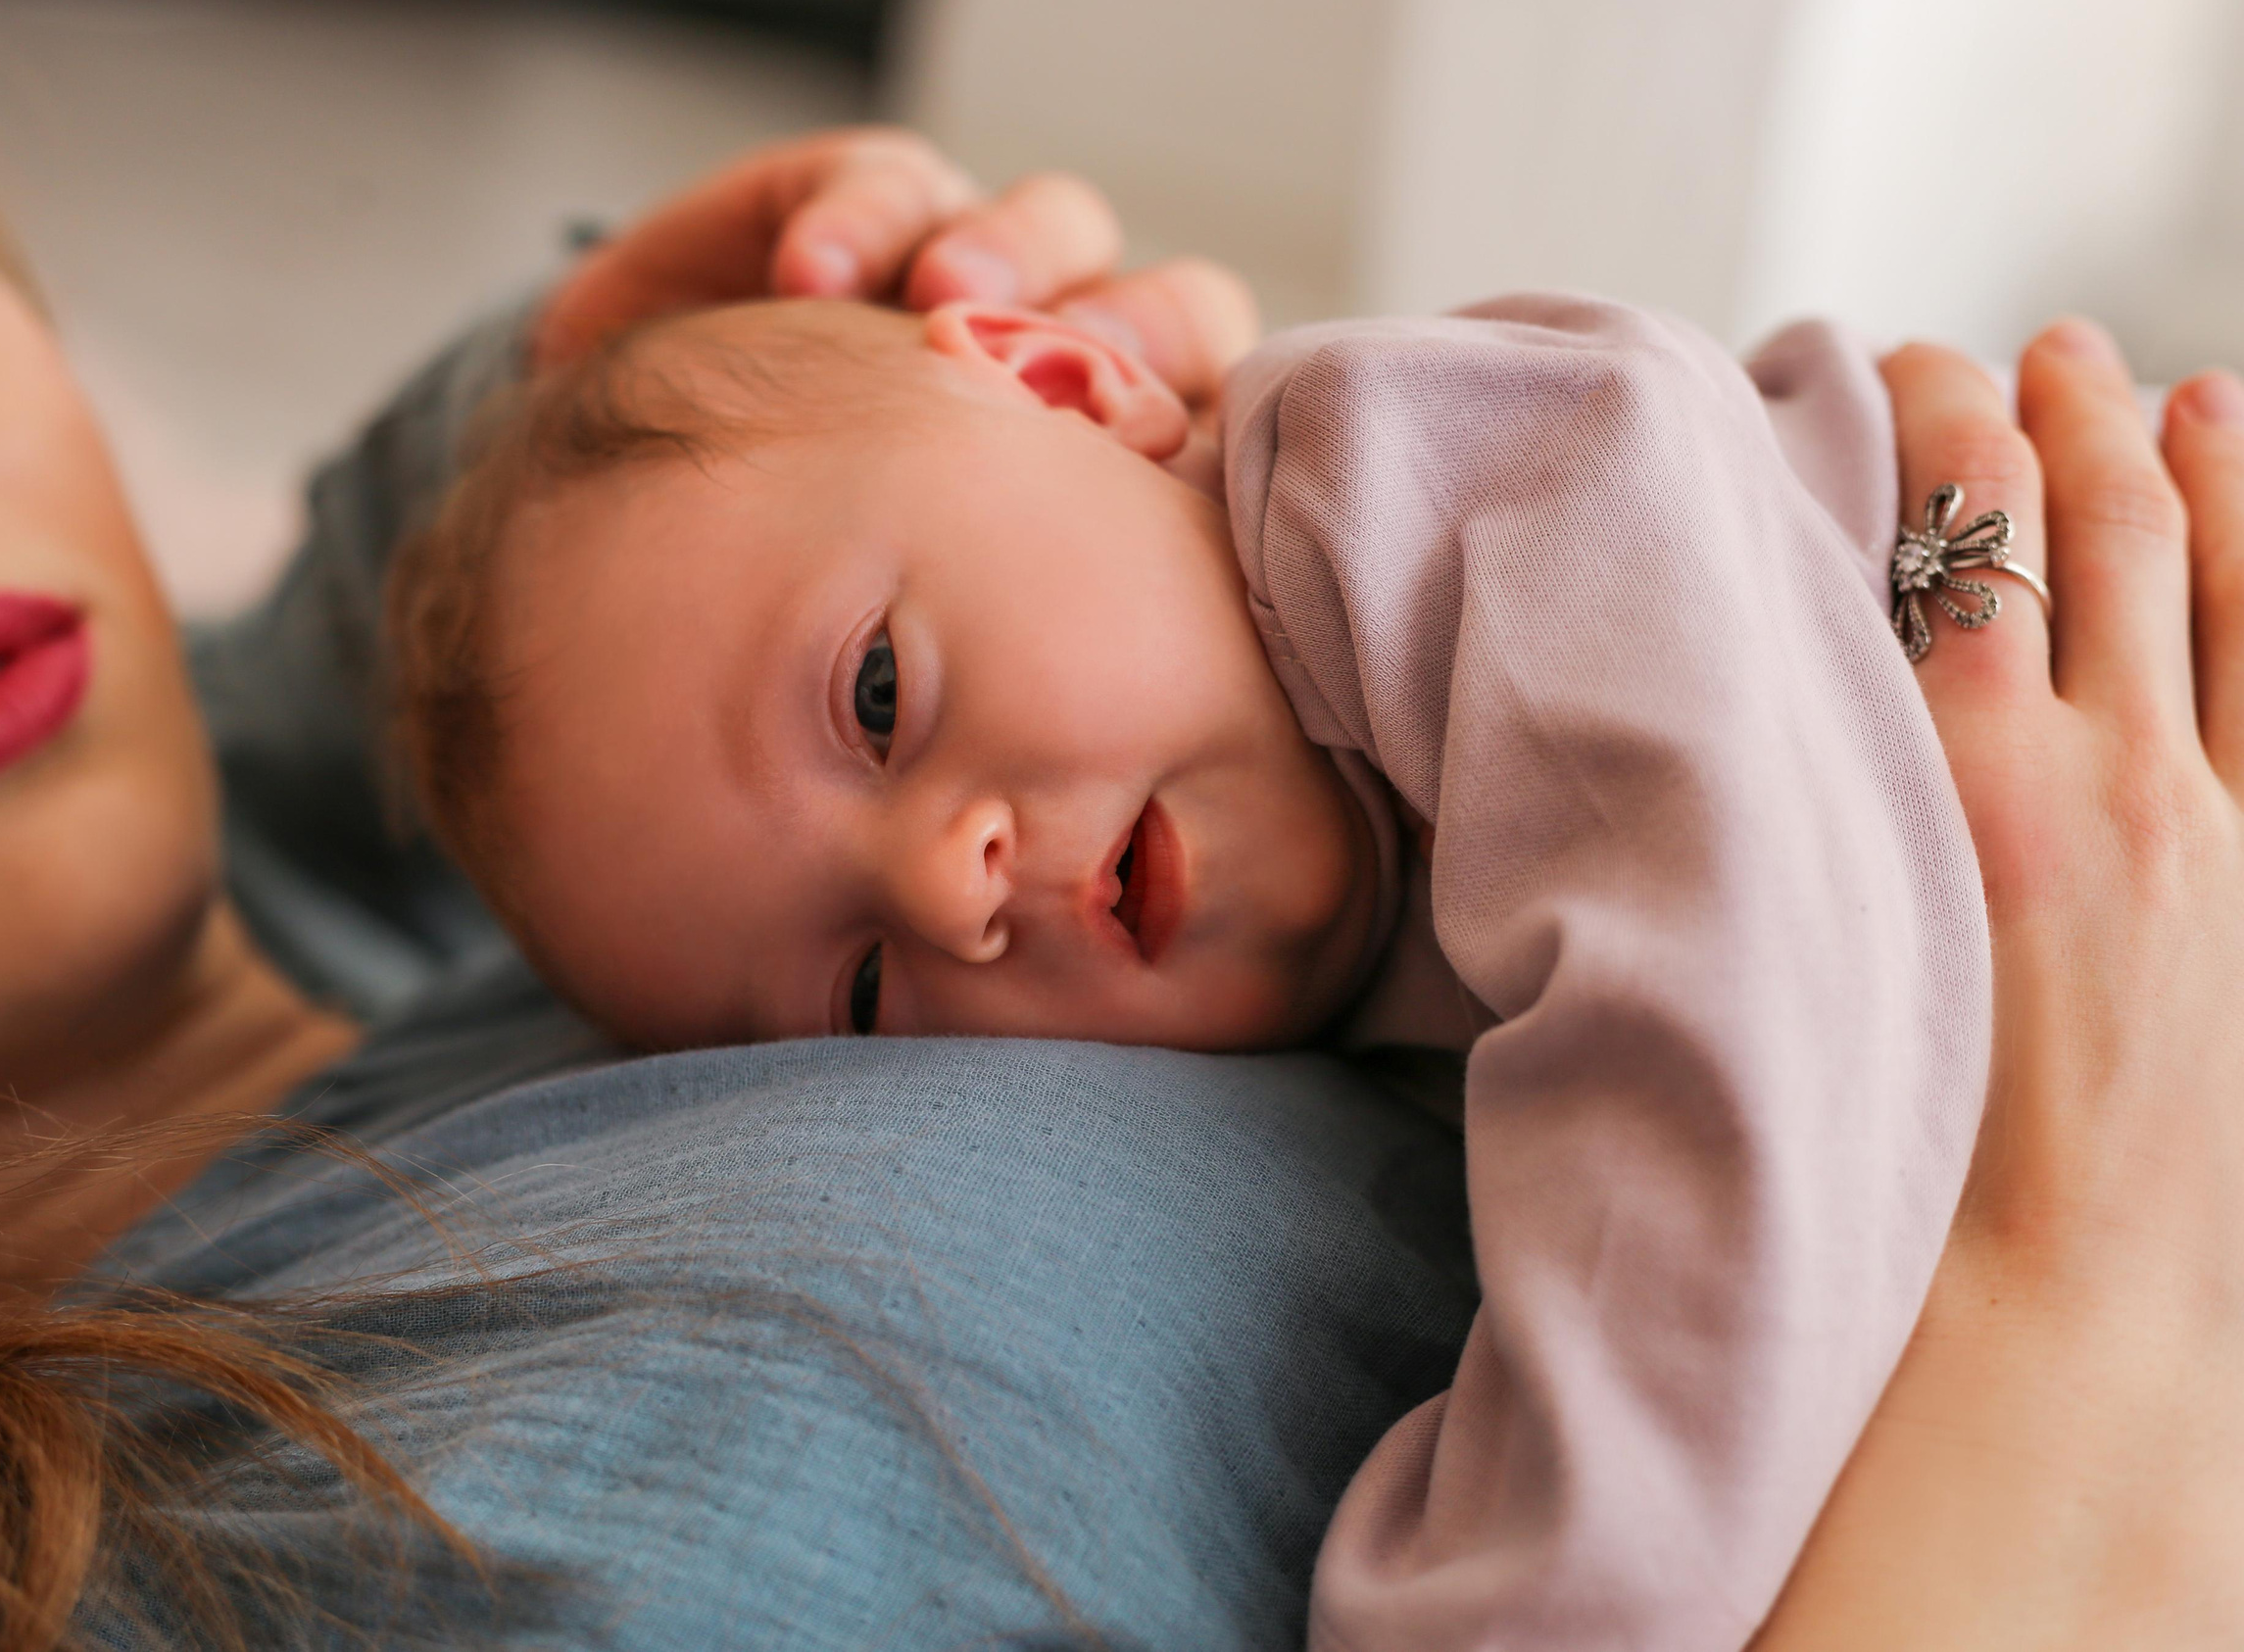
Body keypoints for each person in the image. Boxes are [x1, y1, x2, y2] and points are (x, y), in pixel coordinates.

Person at [0, 0, 2236, 1646]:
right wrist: (2084, 1310)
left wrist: (623, 418)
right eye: (846, 994)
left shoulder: (1447, 517)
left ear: (1048, 370)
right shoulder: (251, 1530)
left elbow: (330, 697)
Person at [382, 283, 1980, 1650]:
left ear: (1067, 381)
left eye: (876, 692)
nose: (952, 891)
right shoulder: (1336, 1020)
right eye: (860, 993)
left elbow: (1734, 1079)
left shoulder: (1452, 479)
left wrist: (1494, 1602)